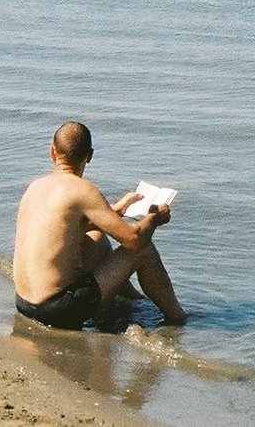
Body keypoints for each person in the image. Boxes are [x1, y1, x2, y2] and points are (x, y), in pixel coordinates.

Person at [12, 121, 186, 330]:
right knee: (144, 250)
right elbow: (135, 241)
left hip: (24, 303)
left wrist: (113, 212)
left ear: (52, 152)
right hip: (56, 311)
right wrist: (154, 218)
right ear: (90, 155)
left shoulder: (35, 187)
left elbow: (63, 229)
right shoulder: (83, 190)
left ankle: (131, 303)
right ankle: (177, 318)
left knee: (97, 239)